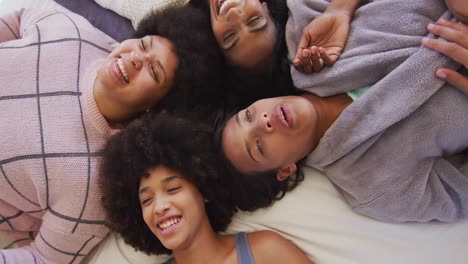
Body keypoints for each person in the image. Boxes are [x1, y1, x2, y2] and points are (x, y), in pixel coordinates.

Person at [0, 5, 225, 263]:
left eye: (153, 71)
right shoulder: (75, 32)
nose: (135, 58)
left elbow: (43, 259)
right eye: (143, 44)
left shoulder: (92, 186)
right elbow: (22, 17)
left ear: (156, 107)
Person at [216, 17, 468, 223]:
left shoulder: (304, 35)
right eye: (258, 146)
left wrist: (341, 9)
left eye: (247, 115)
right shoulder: (374, 187)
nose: (262, 122)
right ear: (285, 170)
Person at [100, 113, 313, 264]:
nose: (159, 207)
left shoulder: (266, 252)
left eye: (173, 189)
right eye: (146, 200)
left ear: (203, 191)